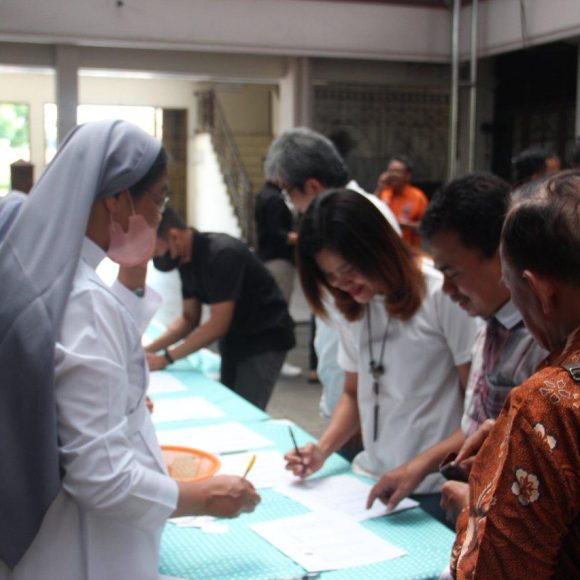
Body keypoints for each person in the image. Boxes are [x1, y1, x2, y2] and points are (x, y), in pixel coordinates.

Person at [0, 120, 259, 579]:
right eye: (157, 199)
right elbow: (101, 475)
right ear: (117, 199)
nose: (161, 215)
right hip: (86, 548)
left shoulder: (47, 273)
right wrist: (204, 497)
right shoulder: (82, 300)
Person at [285, 189, 478, 520]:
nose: (343, 284)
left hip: (433, 488)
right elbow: (351, 393)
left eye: (349, 270)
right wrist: (322, 450)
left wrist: (416, 468)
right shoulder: (353, 305)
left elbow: (479, 418)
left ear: (377, 248)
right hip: (370, 479)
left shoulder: (441, 295)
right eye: (330, 277)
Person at [366, 173, 547, 517]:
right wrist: (417, 467)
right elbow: (474, 426)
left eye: (454, 273)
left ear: (501, 256)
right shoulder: (487, 325)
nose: (447, 291)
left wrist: (482, 506)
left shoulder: (542, 344)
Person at [449, 170, 580, 578]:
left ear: (540, 290)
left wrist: (478, 506)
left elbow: (493, 569)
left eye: (510, 285)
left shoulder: (547, 404)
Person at [264, 127, 401, 422]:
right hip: (346, 391)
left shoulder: (363, 216)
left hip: (368, 401)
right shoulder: (326, 224)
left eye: (288, 192)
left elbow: (384, 321)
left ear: (312, 186)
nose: (290, 204)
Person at [146, 207, 295, 410]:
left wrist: (167, 358)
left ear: (174, 236)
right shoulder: (184, 259)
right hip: (235, 339)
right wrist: (147, 350)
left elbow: (218, 324)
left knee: (245, 409)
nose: (159, 258)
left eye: (158, 251)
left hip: (264, 338)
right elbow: (189, 318)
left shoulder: (222, 254)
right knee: (228, 403)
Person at [254, 178, 302, 378]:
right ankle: (275, 357)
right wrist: (300, 237)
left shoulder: (267, 195)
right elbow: (276, 233)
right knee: (277, 311)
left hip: (271, 258)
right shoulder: (273, 198)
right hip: (277, 260)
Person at [375, 154, 428, 248]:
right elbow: (368, 211)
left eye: (397, 171)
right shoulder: (384, 192)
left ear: (408, 175)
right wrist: (380, 188)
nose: (393, 175)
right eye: (390, 171)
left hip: (408, 252)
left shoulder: (418, 197)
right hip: (385, 249)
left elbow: (426, 226)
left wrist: (399, 223)